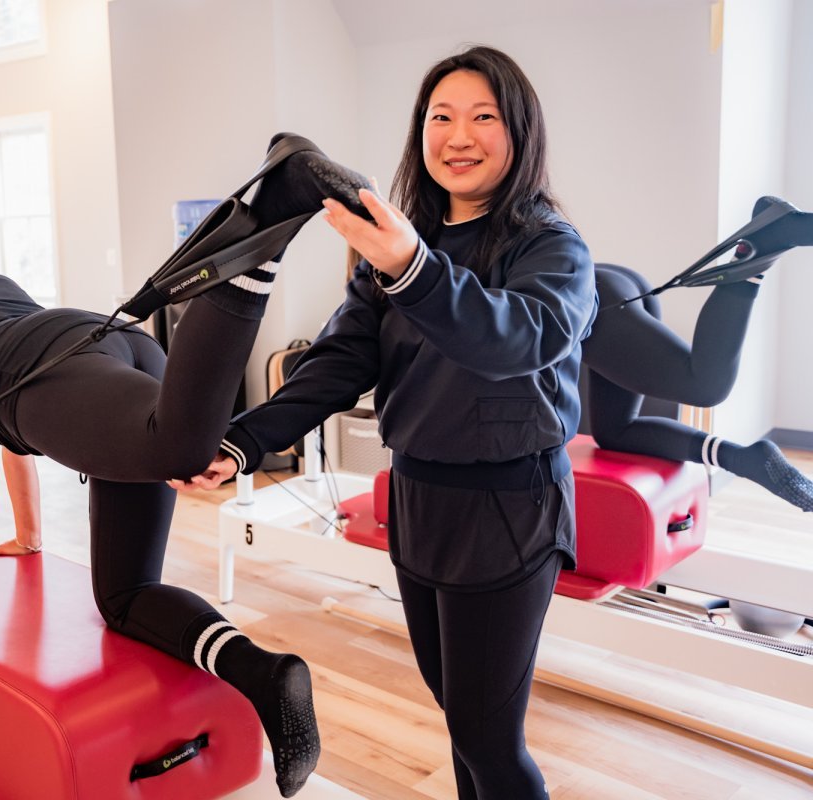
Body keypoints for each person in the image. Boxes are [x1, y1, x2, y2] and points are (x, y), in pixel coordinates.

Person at [0, 136, 376, 798]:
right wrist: (30, 537)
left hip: (56, 382)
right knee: (125, 596)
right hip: (115, 346)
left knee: (180, 449)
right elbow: (15, 435)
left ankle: (279, 209)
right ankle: (267, 678)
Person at [177, 46, 596, 799]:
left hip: (508, 511)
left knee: (487, 736)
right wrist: (245, 441)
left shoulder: (550, 247)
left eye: (482, 117)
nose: (458, 136)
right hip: (418, 503)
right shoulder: (400, 250)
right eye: (442, 117)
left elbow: (514, 338)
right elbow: (340, 361)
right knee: (458, 716)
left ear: (520, 132)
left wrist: (413, 269)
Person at [582, 202, 813, 512]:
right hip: (604, 286)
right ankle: (741, 458)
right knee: (615, 431)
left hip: (590, 300)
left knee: (705, 385)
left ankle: (766, 243)